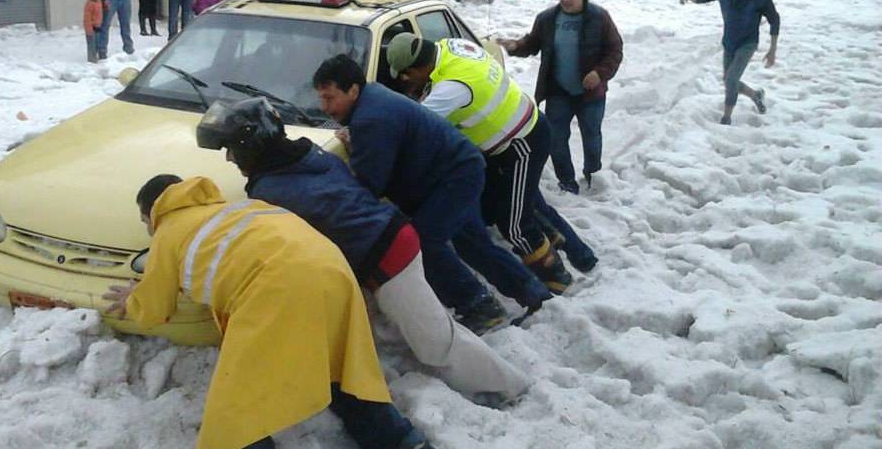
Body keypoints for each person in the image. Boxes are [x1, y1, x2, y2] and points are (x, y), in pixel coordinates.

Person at [196, 98, 531, 400]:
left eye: (231, 149)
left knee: (436, 344)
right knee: (411, 326)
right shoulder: (307, 153)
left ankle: (509, 386)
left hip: (388, 255)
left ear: (252, 147)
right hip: (390, 236)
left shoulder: (270, 189)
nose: (229, 157)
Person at [103, 175, 432, 449]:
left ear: (154, 213)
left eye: (145, 222)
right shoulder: (239, 209)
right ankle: (400, 440)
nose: (148, 229)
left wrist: (135, 298)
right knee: (338, 365)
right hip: (333, 272)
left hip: (278, 289)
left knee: (237, 405)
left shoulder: (169, 231)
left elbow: (154, 308)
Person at [312, 55, 553, 333]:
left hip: (454, 177)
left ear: (353, 90)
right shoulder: (371, 102)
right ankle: (532, 292)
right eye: (321, 98)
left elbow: (369, 184)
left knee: (424, 241)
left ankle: (478, 305)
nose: (324, 107)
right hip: (456, 171)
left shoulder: (371, 119)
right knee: (471, 242)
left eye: (329, 98)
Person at [386, 32, 599, 279]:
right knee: (529, 205)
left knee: (513, 223)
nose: (404, 80)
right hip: (516, 135)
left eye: (406, 74)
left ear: (421, 65)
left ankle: (556, 279)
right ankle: (581, 255)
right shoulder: (449, 47)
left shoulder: (451, 88)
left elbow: (414, 129)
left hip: (520, 144)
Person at [502, 0, 623, 196]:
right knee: (556, 139)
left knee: (592, 137)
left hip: (591, 94)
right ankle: (567, 181)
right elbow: (533, 43)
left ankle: (592, 176)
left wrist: (599, 73)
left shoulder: (599, 18)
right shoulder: (547, 19)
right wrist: (516, 47)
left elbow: (615, 50)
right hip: (558, 91)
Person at [680, 0, 780, 126]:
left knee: (731, 79)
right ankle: (755, 95)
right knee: (729, 80)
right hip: (729, 42)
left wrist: (772, 49)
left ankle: (726, 118)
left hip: (748, 43)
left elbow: (775, 20)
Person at [82, 0, 103, 64]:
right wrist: (89, 30)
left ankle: (97, 56)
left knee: (97, 44)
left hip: (98, 27)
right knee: (91, 45)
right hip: (91, 28)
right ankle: (91, 60)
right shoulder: (89, 5)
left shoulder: (99, 2)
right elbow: (87, 18)